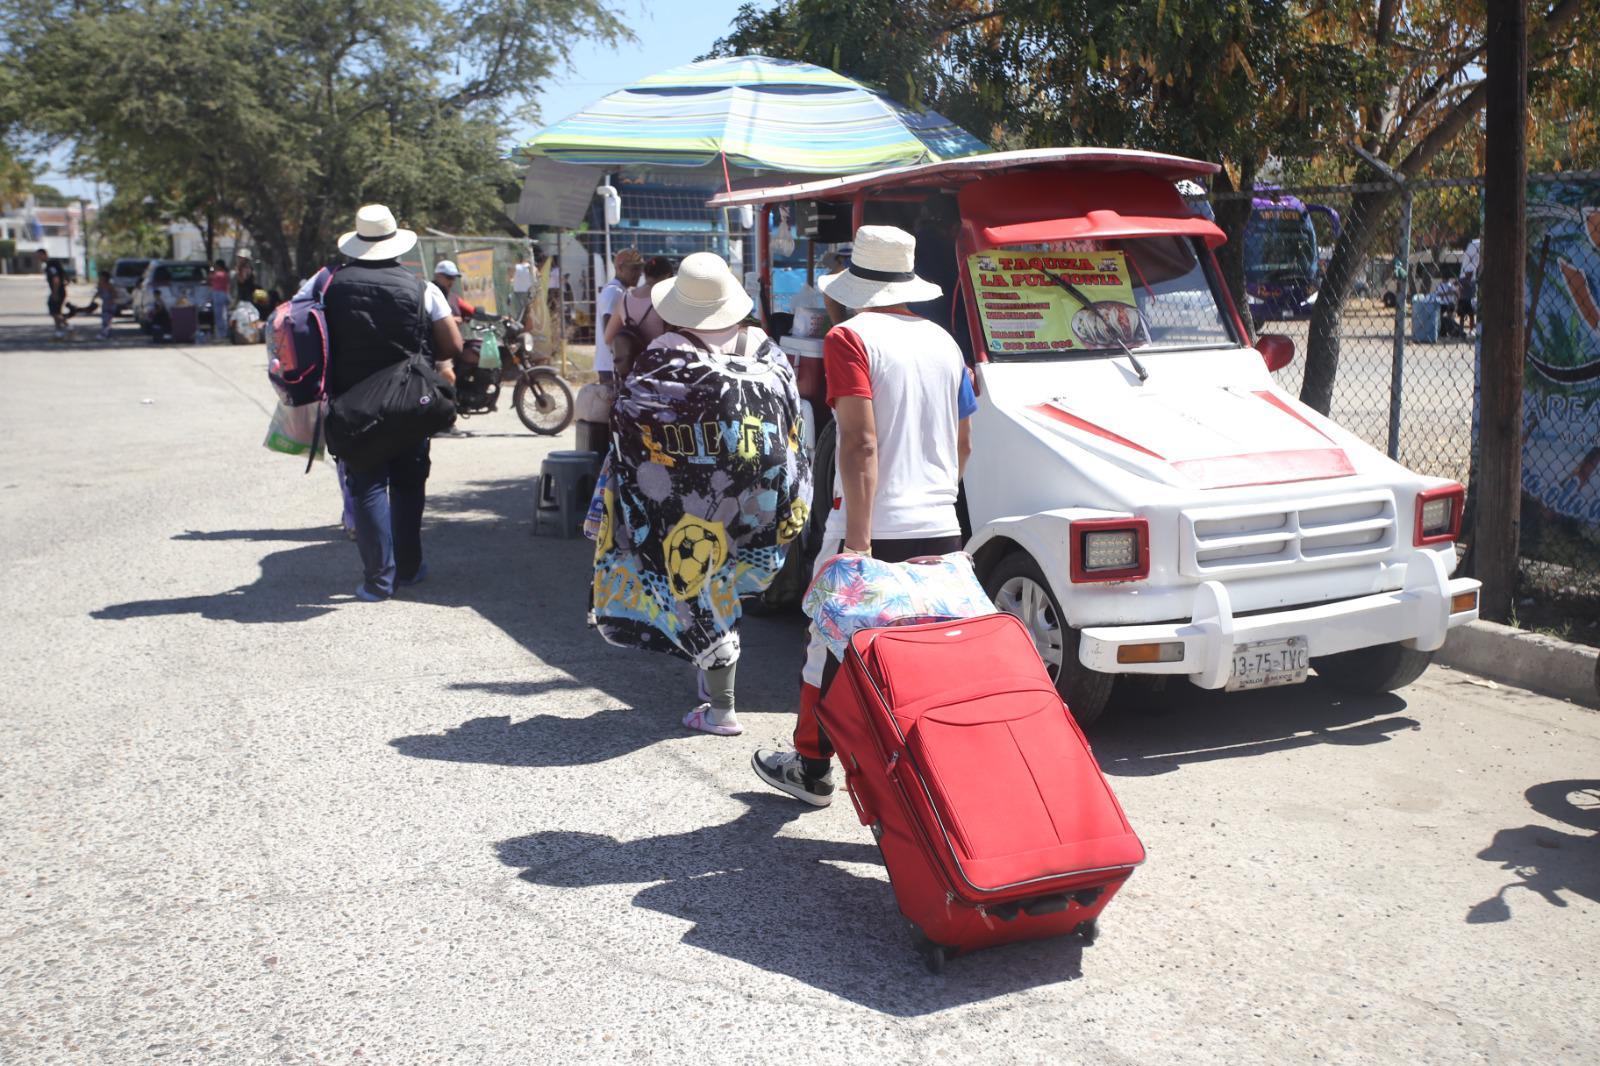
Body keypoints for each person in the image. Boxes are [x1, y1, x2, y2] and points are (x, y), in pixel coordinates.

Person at [752, 225, 976, 805]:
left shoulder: (849, 338)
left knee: (828, 645)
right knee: (922, 652)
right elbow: (965, 442)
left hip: (871, 525)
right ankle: (927, 769)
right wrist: (937, 499)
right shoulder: (945, 342)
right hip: (941, 525)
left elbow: (859, 443)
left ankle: (810, 768)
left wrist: (858, 542)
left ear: (854, 284)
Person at [591, 251, 809, 736]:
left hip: (693, 493)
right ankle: (711, 682)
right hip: (764, 487)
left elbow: (629, 417)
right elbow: (791, 414)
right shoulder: (765, 347)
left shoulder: (667, 350)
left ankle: (720, 708)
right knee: (724, 581)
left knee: (699, 581)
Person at [318, 204, 464, 602]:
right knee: (407, 483)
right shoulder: (423, 289)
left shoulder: (331, 288)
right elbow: (452, 345)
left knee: (366, 485)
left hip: (353, 406)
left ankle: (378, 582)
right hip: (409, 402)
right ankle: (410, 568)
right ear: (397, 244)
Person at [600, 255, 673, 379]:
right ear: (667, 276)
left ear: (645, 274)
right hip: (658, 369)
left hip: (631, 371)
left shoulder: (625, 297)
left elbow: (608, 338)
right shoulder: (667, 300)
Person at [593, 248, 643, 383]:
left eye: (640, 269)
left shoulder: (621, 290)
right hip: (612, 366)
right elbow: (610, 332)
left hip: (616, 364)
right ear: (620, 269)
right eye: (634, 269)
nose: (638, 274)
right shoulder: (614, 292)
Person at [40, 249, 68, 338]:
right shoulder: (51, 265)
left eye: (39, 256)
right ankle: (59, 331)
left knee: (55, 312)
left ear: (44, 254)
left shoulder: (51, 265)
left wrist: (55, 293)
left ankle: (69, 329)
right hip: (59, 290)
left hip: (58, 291)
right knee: (56, 312)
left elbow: (56, 279)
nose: (38, 258)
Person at [1459, 236, 1481, 333]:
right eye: (1469, 273)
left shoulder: (1472, 280)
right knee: (1462, 316)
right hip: (1464, 299)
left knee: (1471, 315)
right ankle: (1461, 330)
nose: (1470, 274)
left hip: (1470, 300)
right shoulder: (1464, 279)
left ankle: (1471, 330)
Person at [207, 259, 230, 343]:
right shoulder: (225, 273)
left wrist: (211, 269)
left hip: (218, 294)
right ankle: (223, 332)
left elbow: (209, 278)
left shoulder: (219, 274)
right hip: (222, 294)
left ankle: (222, 333)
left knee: (219, 315)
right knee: (223, 314)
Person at [95, 269, 117, 339]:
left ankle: (105, 334)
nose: (100, 278)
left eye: (102, 276)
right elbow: (98, 293)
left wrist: (111, 301)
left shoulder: (109, 285)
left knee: (107, 320)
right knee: (104, 320)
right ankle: (105, 333)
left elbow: (114, 294)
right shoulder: (100, 285)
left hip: (110, 304)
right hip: (105, 304)